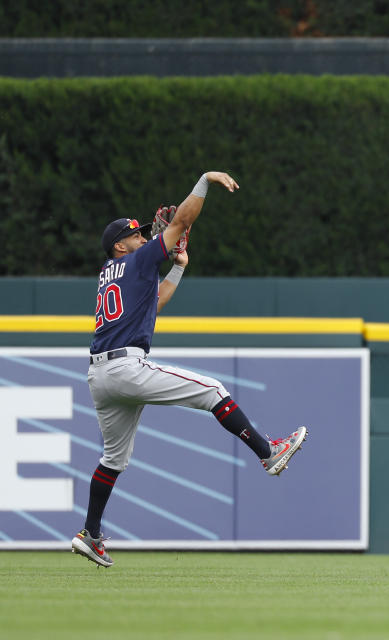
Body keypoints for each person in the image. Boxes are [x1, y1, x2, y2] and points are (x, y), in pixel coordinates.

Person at [71, 172, 308, 567]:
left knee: (113, 460)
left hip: (100, 376)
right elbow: (182, 221)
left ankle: (90, 534)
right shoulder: (137, 259)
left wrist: (178, 267)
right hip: (127, 368)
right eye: (136, 234)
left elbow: (154, 305)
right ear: (119, 246)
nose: (144, 237)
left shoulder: (111, 274)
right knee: (213, 390)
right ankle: (268, 453)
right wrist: (204, 181)